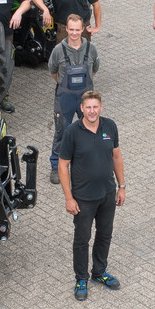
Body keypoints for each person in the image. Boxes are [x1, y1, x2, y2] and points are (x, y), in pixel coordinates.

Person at [58, 90, 126, 302]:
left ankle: (99, 272)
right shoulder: (72, 132)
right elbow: (63, 165)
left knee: (105, 235)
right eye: (88, 107)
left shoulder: (110, 126)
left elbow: (116, 155)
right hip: (83, 199)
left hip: (107, 194)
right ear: (82, 109)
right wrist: (69, 198)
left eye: (95, 107)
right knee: (82, 239)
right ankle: (81, 278)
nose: (92, 111)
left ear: (101, 107)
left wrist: (121, 186)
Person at [47, 14, 100, 185]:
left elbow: (94, 69)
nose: (75, 33)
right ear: (67, 30)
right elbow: (53, 71)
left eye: (78, 30)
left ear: (83, 29)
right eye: (71, 30)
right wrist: (65, 87)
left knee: (90, 130)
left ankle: (90, 164)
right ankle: (56, 166)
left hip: (86, 98)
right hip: (65, 98)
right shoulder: (58, 50)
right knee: (62, 131)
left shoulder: (91, 49)